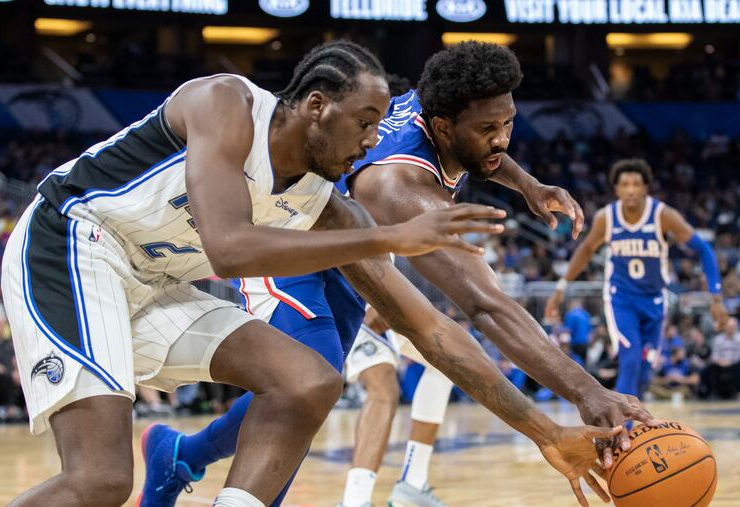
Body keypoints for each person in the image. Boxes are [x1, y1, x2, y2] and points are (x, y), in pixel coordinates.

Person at [1, 40, 515, 507]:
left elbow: (429, 327)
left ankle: (190, 462)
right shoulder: (226, 103)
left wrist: (550, 433)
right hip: (72, 243)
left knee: (310, 380)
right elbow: (226, 249)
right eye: (365, 122)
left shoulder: (323, 202)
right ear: (318, 106)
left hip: (154, 280)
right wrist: (390, 237)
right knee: (100, 480)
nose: (373, 140)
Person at [142, 42, 656, 507]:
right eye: (487, 130)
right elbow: (486, 308)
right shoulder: (397, 186)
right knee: (309, 382)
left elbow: (488, 151)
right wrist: (588, 392)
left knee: (312, 391)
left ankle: (182, 454)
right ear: (442, 128)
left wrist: (528, 185)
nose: (501, 138)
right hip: (294, 240)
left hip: (356, 259)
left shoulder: (435, 104)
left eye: (509, 123)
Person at [546, 158, 729, 399]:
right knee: (630, 358)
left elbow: (704, 250)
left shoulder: (663, 215)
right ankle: (624, 430)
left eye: (636, 184)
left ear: (645, 188)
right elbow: (586, 249)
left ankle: (632, 418)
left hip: (654, 300)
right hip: (621, 299)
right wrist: (560, 289)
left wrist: (716, 298)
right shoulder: (607, 217)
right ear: (616, 189)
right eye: (625, 184)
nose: (630, 189)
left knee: (645, 370)